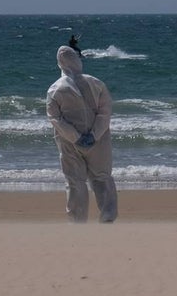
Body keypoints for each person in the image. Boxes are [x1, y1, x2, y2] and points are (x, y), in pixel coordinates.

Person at [46, 45, 118, 223]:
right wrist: (94, 134)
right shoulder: (95, 83)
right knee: (102, 177)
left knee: (75, 182)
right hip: (98, 141)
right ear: (76, 60)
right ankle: (108, 217)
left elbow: (55, 119)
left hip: (69, 143)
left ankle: (77, 222)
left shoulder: (54, 89)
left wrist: (75, 137)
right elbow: (105, 112)